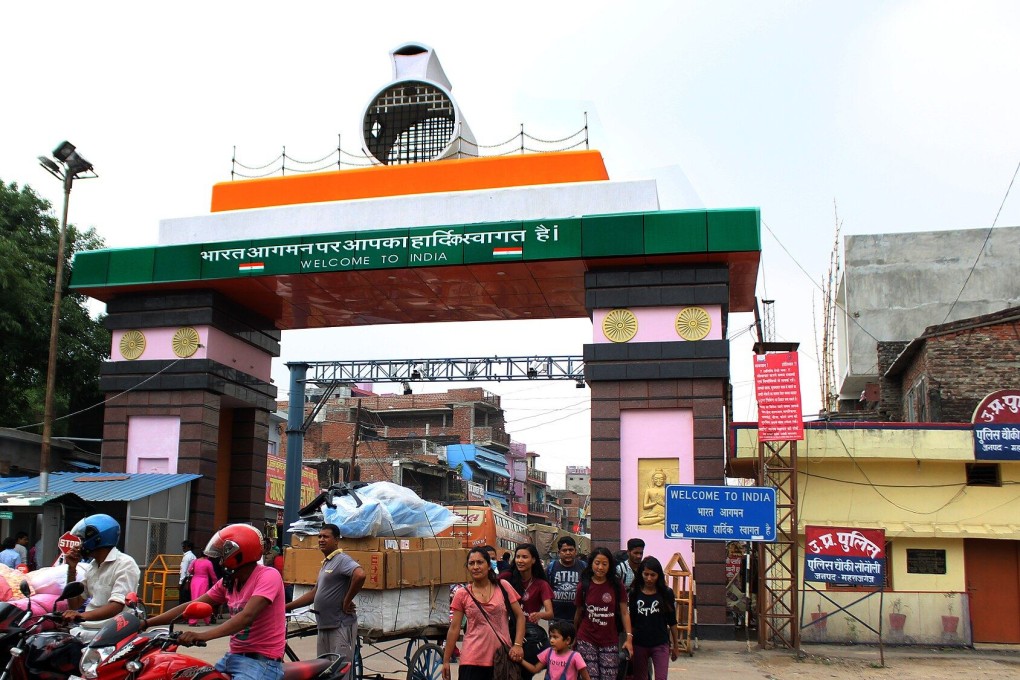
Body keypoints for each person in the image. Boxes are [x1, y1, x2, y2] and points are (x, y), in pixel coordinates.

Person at [143, 524, 286, 680]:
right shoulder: (229, 582)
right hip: (233, 657)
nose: (219, 562)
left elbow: (247, 616)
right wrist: (146, 623)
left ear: (237, 555)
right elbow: (191, 605)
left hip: (261, 662)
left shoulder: (268, 576)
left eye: (222, 556)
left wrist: (203, 635)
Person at [285, 524, 366, 679]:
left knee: (341, 671)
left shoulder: (341, 560)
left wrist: (347, 601)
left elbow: (360, 575)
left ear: (336, 540)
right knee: (323, 671)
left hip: (340, 624)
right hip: (324, 625)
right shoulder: (326, 563)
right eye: (319, 536)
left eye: (326, 536)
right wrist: (285, 607)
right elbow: (314, 594)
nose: (321, 539)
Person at [442, 546, 526, 680]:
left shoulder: (503, 586)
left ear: (488, 566)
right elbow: (454, 628)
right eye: (471, 563)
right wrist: (446, 660)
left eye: (480, 562)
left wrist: (518, 645)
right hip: (471, 660)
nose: (475, 567)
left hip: (501, 659)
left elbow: (520, 617)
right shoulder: (462, 594)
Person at [61, 513, 142, 636]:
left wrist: (80, 615)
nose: (80, 545)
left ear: (96, 539)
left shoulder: (125, 564)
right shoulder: (93, 566)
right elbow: (75, 604)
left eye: (83, 540)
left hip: (112, 632)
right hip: (86, 629)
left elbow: (116, 606)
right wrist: (71, 569)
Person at [573, 548, 633, 680]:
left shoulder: (617, 585)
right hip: (586, 639)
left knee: (609, 676)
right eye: (597, 563)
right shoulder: (584, 586)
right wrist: (574, 637)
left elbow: (624, 612)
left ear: (610, 565)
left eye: (604, 564)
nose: (600, 567)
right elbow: (578, 613)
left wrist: (629, 638)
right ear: (591, 564)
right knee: (590, 677)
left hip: (610, 640)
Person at [500, 544, 554, 680]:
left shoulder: (542, 584)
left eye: (524, 557)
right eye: (517, 557)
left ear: (534, 560)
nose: (520, 560)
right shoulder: (507, 578)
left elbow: (550, 613)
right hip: (505, 632)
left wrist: (539, 614)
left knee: (523, 674)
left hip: (528, 639)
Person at [628, 557, 678, 680]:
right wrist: (629, 641)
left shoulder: (666, 593)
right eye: (646, 574)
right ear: (641, 574)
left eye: (653, 575)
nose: (649, 578)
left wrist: (675, 645)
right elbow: (631, 620)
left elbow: (672, 621)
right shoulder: (634, 593)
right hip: (639, 644)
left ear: (658, 575)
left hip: (660, 643)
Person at [521, 621, 590, 680]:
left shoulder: (575, 657)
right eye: (550, 637)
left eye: (555, 637)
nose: (551, 640)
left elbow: (586, 678)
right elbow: (535, 669)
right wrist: (521, 660)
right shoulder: (548, 652)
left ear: (568, 640)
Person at [547, 536, 586, 623]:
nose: (568, 553)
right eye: (564, 550)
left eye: (571, 550)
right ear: (559, 553)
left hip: (577, 619)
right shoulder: (551, 567)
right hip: (556, 619)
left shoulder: (583, 567)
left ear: (575, 551)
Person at [187, 548, 216, 625]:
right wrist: (216, 582)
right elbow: (212, 574)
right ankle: (207, 620)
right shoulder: (208, 562)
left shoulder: (195, 561)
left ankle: (192, 620)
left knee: (194, 600)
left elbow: (189, 570)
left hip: (194, 581)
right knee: (204, 601)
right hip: (203, 581)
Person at [179, 540, 196, 604]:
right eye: (183, 546)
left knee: (183, 599)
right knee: (188, 598)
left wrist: (180, 582)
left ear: (189, 547)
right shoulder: (193, 556)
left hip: (186, 579)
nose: (183, 548)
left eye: (184, 546)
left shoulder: (187, 557)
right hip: (191, 579)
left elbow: (184, 570)